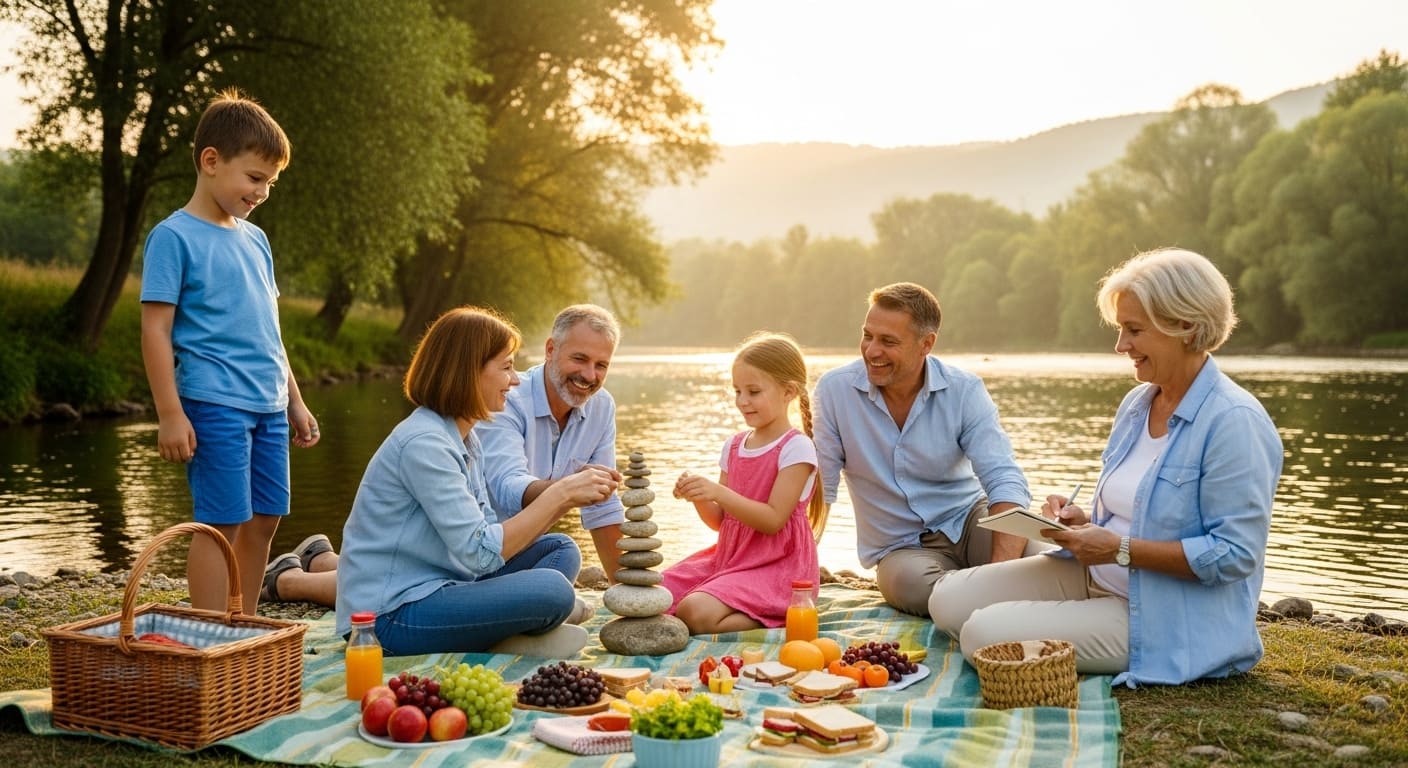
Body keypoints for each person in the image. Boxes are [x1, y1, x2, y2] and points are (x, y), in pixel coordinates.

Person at [929, 248, 1283, 686]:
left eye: (1134, 330)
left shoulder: (1234, 422)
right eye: (1121, 329)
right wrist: (1085, 524)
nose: (1121, 346)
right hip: (1093, 574)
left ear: (1185, 327)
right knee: (946, 599)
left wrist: (1119, 548)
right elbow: (1134, 512)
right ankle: (1071, 617)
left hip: (1162, 616)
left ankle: (1088, 628)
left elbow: (1235, 555)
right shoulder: (1139, 404)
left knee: (982, 633)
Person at [334, 306, 619, 656]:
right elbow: (480, 554)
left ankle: (509, 634)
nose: (514, 381)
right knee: (554, 592)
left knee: (559, 550)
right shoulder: (424, 443)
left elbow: (483, 531)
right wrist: (561, 494)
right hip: (388, 618)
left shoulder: (465, 437)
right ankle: (518, 632)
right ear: (469, 372)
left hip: (447, 582)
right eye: (506, 367)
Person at [139, 89, 319, 613]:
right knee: (222, 519)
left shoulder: (256, 241)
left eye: (270, 182)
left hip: (268, 402)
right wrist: (170, 413)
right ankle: (210, 628)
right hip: (214, 401)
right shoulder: (174, 238)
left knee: (266, 517)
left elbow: (270, 332)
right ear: (211, 162)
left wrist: (296, 401)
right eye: (255, 178)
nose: (262, 192)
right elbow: (154, 331)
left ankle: (241, 619)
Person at [812, 282, 1032, 616]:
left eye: (888, 341)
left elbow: (1004, 479)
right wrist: (796, 564)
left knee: (1042, 555)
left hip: (969, 521)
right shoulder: (834, 391)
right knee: (910, 587)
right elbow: (820, 490)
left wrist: (999, 570)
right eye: (867, 335)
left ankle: (982, 593)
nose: (871, 350)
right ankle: (999, 600)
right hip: (901, 551)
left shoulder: (964, 390)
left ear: (926, 344)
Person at [663, 332, 824, 635]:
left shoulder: (796, 448)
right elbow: (720, 522)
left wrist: (719, 492)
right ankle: (720, 602)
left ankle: (784, 614)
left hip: (776, 568)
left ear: (788, 391)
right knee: (657, 592)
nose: (742, 401)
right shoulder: (735, 445)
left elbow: (773, 520)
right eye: (737, 391)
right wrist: (699, 496)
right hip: (730, 560)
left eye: (753, 391)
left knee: (693, 611)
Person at [476, 304, 627, 580]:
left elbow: (602, 505)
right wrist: (569, 489)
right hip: (476, 553)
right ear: (550, 350)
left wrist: (631, 594)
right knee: (564, 554)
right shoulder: (505, 399)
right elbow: (507, 489)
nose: (590, 375)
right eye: (579, 359)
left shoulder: (601, 406)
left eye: (601, 365)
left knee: (562, 554)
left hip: (524, 551)